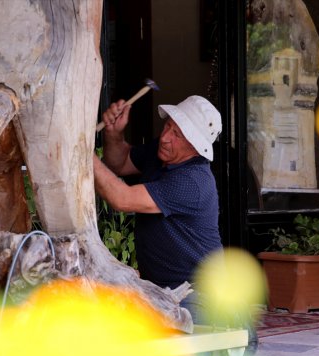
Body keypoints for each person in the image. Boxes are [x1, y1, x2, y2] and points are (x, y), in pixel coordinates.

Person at [92, 95, 223, 322]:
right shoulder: (163, 152)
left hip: (200, 295)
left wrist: (81, 151)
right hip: (160, 290)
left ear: (195, 146)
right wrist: (114, 133)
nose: (165, 138)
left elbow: (122, 199)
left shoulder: (194, 181)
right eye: (168, 127)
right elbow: (119, 163)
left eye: (177, 135)